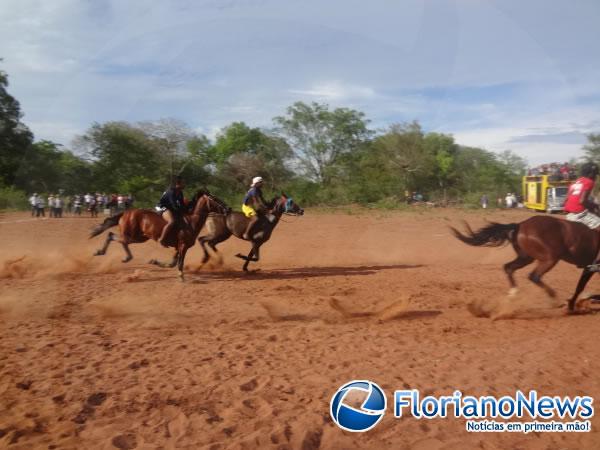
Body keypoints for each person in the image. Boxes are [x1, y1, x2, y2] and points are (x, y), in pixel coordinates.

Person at [564, 162, 600, 229]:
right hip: (579, 213)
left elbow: (566, 199)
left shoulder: (576, 182)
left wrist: (592, 204)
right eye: (595, 174)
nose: (596, 177)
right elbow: (582, 201)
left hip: (569, 213)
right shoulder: (589, 182)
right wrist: (594, 205)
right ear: (591, 174)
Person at [157, 176, 186, 247]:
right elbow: (174, 205)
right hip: (161, 207)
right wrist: (180, 211)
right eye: (183, 183)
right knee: (171, 221)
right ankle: (161, 239)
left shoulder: (180, 192)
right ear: (178, 184)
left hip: (170, 208)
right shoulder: (171, 192)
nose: (184, 185)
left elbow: (182, 204)